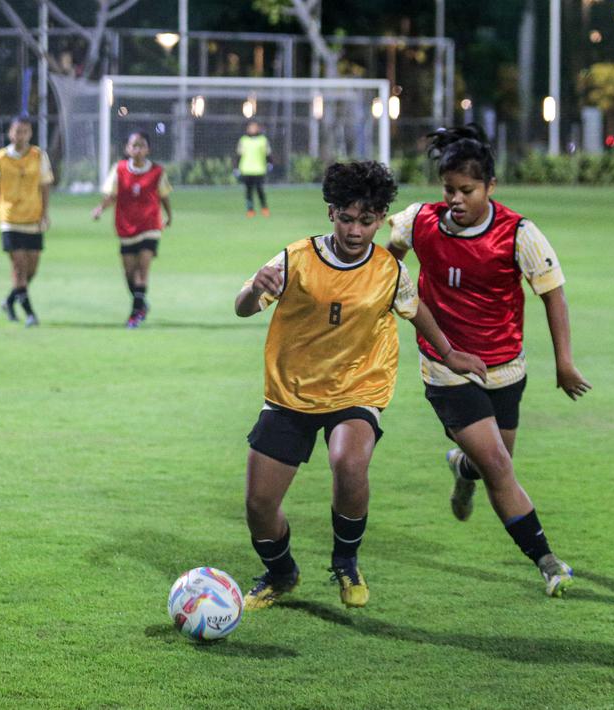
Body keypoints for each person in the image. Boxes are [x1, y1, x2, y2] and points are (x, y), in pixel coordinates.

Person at [235, 160, 486, 610]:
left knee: (349, 461)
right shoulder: (295, 258)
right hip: (291, 391)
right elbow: (243, 307)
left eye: (367, 221)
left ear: (379, 218)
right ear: (331, 212)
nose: (355, 231)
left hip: (358, 385)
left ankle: (346, 560)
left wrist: (449, 354)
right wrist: (255, 287)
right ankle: (281, 573)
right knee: (258, 504)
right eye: (346, 218)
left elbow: (414, 309)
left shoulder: (389, 270)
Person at [385, 124, 592, 598]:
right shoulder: (418, 221)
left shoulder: (519, 234)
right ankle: (547, 561)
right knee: (500, 465)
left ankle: (462, 469)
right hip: (445, 368)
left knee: (495, 464)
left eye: (467, 190)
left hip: (506, 368)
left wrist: (564, 362)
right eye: (449, 189)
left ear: (490, 188)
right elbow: (387, 264)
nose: (456, 199)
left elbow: (553, 295)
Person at [92, 131, 173, 328]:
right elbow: (111, 195)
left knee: (142, 271)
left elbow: (163, 195)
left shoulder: (157, 171)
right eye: (134, 145)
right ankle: (141, 303)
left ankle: (134, 315)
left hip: (150, 226)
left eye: (141, 145)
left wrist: (169, 215)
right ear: (127, 149)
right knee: (129, 273)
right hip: (126, 227)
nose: (137, 149)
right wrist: (100, 209)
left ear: (148, 149)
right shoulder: (119, 169)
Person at [0, 115, 53, 327]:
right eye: (16, 131)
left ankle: (11, 300)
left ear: (30, 133)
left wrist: (46, 214)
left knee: (32, 270)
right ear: (10, 133)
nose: (19, 135)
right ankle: (30, 313)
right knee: (19, 267)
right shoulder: (1, 158)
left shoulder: (39, 156)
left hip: (33, 218)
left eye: (24, 131)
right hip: (10, 219)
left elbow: (45, 186)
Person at [236, 121, 271, 218]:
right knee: (248, 191)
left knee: (260, 190)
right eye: (251, 127)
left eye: (254, 127)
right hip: (246, 169)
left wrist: (269, 163)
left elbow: (267, 154)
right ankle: (250, 210)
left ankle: (264, 208)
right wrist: (236, 167)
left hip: (259, 170)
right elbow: (239, 155)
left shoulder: (263, 140)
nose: (252, 129)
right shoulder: (243, 140)